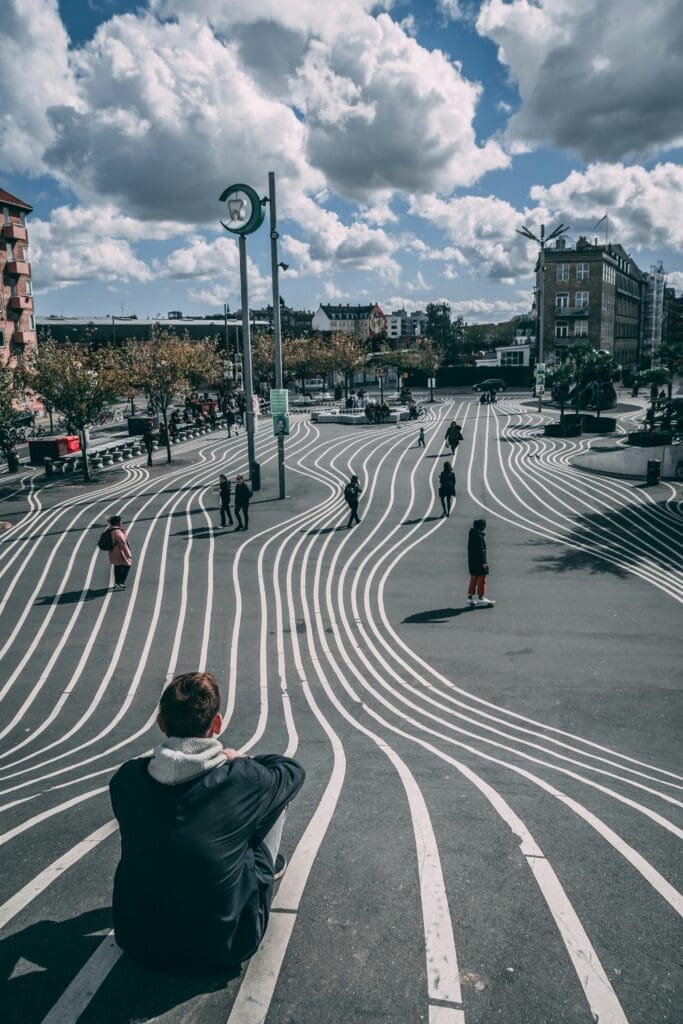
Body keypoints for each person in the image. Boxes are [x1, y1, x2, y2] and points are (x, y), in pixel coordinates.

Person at [109, 672, 305, 974]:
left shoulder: (126, 779)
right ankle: (268, 866)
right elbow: (292, 771)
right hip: (224, 945)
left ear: (162, 723)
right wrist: (239, 758)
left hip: (138, 941)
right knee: (274, 795)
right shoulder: (242, 778)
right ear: (216, 723)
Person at [467, 518, 494, 607]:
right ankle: (481, 597)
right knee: (482, 578)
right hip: (479, 561)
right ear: (481, 527)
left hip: (472, 561)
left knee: (473, 578)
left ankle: (470, 597)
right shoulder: (479, 537)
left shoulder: (472, 535)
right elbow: (481, 551)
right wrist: (484, 562)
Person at [108, 515, 132, 591]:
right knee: (127, 565)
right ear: (117, 523)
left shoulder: (110, 530)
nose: (122, 523)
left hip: (113, 552)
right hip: (120, 552)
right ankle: (120, 583)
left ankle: (117, 583)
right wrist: (128, 553)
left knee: (117, 566)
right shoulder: (118, 532)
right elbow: (123, 543)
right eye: (121, 522)